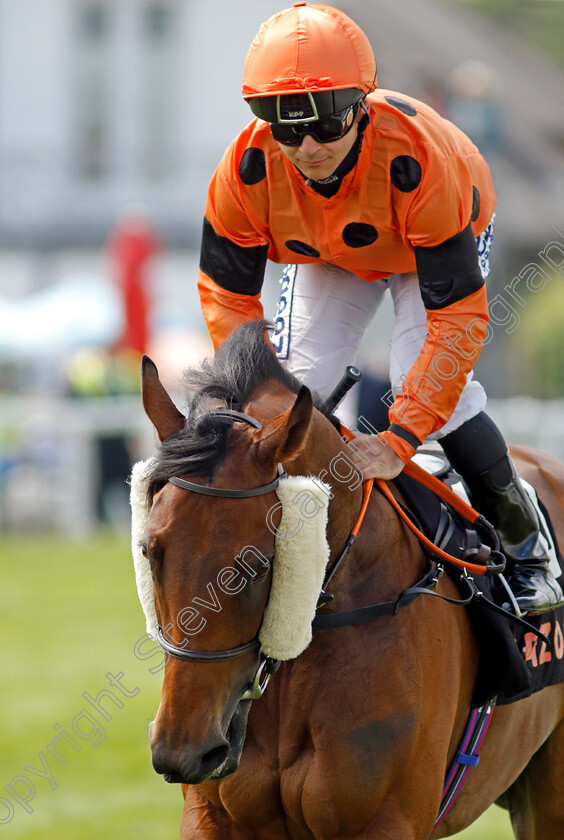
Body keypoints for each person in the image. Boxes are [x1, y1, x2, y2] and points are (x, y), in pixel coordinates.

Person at [196, 2, 563, 615]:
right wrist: (256, 391)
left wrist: (399, 437)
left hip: (433, 244)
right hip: (331, 253)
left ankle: (528, 551)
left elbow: (458, 321)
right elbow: (227, 300)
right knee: (289, 400)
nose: (308, 146)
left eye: (326, 122)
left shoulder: (421, 161)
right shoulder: (243, 168)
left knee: (438, 397)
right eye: (284, 124)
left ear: (361, 105)